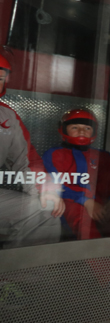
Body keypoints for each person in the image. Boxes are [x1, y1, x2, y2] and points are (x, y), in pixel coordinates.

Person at [0, 49, 62, 248]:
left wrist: (45, 190)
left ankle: (18, 278)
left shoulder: (7, 116)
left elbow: (26, 161)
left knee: (46, 210)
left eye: (0, 78)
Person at [42, 109, 110, 239]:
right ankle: (97, 259)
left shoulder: (103, 156)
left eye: (87, 128)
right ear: (63, 130)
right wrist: (86, 201)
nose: (81, 132)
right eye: (75, 127)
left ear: (94, 131)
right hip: (70, 201)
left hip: (102, 203)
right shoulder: (54, 154)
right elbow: (54, 184)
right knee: (85, 228)